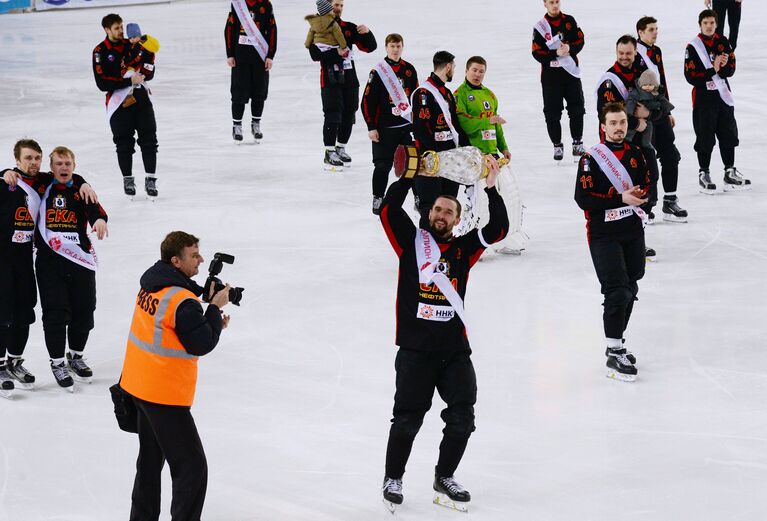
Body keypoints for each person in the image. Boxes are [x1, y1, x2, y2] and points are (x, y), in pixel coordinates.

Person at [378, 163, 508, 512]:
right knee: (407, 418)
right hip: (416, 350)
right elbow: (389, 210)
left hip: (453, 352)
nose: (441, 215)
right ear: (428, 212)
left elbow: (498, 229)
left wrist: (491, 188)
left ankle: (444, 476)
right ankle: (394, 477)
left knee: (463, 416)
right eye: (437, 209)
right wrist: (407, 176)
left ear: (456, 219)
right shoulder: (410, 243)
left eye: (449, 211)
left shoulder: (465, 250)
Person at [119, 231, 231, 521]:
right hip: (163, 395)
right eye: (194, 255)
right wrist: (215, 310)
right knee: (192, 468)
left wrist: (206, 314)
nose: (201, 259)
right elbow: (201, 343)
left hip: (138, 386)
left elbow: (170, 330)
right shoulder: (181, 301)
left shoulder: (153, 284)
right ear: (176, 261)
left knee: (149, 463)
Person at [1, 141, 98, 395]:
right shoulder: (6, 181)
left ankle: (13, 361)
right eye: (28, 158)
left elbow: (68, 176)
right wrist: (2, 174)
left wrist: (82, 181)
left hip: (24, 260)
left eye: (37, 158)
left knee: (24, 310)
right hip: (3, 259)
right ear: (18, 159)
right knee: (3, 312)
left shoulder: (43, 182)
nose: (34, 163)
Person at [574, 103, 651, 382]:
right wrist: (619, 198)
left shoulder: (636, 154)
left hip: (632, 230)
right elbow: (583, 199)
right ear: (603, 126)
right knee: (617, 290)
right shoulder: (590, 159)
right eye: (613, 123)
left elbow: (648, 184)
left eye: (622, 123)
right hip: (603, 234)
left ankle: (616, 343)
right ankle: (615, 350)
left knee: (631, 285)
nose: (619, 128)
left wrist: (642, 196)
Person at [35, 147, 108, 390]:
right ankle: (57, 362)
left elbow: (96, 211)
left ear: (74, 166)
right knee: (55, 313)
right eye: (59, 163)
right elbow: (19, 175)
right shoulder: (42, 185)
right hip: (49, 262)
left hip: (80, 261)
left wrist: (98, 220)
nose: (63, 168)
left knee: (85, 311)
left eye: (68, 163)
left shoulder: (80, 188)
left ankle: (75, 356)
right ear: (51, 166)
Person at [454, 56, 526, 255]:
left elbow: (496, 126)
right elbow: (463, 123)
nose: (477, 74)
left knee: (505, 195)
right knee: (477, 200)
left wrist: (504, 147)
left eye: (481, 71)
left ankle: (503, 237)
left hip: (493, 154)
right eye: (474, 70)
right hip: (473, 155)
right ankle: (473, 241)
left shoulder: (490, 95)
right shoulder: (460, 94)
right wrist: (488, 121)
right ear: (466, 71)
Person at [597, 34, 659, 259]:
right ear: (616, 52)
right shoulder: (610, 80)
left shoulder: (642, 74)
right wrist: (637, 123)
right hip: (616, 147)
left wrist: (652, 114)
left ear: (635, 53)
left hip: (639, 146)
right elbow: (606, 113)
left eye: (629, 53)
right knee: (622, 193)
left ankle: (637, 242)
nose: (624, 57)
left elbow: (654, 100)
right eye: (621, 53)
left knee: (643, 189)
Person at [93, 13, 158, 199]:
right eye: (117, 28)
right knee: (123, 143)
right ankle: (128, 179)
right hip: (119, 103)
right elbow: (102, 83)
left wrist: (147, 66)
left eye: (122, 27)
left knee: (149, 139)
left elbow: (149, 72)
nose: (121, 31)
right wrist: (128, 82)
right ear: (107, 30)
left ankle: (151, 179)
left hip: (141, 99)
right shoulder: (100, 51)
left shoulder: (133, 44)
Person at [685, 9, 749, 193]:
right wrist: (712, 69)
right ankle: (703, 173)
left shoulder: (723, 42)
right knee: (705, 136)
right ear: (700, 25)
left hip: (723, 97)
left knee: (728, 134)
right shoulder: (693, 47)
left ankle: (729, 171)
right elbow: (691, 77)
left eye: (712, 23)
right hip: (704, 99)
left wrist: (722, 68)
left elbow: (731, 69)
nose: (709, 26)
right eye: (705, 23)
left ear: (716, 24)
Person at [308, 0, 376, 171]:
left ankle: (341, 147)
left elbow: (370, 47)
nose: (338, 9)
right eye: (335, 5)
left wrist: (367, 33)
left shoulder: (348, 27)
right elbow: (315, 54)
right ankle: (329, 151)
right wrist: (335, 53)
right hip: (330, 80)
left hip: (349, 79)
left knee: (349, 113)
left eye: (340, 5)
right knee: (333, 114)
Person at [634, 16, 687, 223]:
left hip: (659, 113)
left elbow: (661, 82)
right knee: (646, 162)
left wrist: (667, 110)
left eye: (656, 29)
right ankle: (645, 207)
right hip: (643, 116)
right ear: (640, 32)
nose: (655, 32)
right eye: (651, 29)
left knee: (671, 155)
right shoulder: (635, 53)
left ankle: (670, 201)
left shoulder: (656, 51)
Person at [361, 33, 418, 215]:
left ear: (402, 47)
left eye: (398, 46)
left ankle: (418, 197)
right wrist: (371, 127)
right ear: (386, 47)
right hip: (384, 129)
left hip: (406, 127)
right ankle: (378, 197)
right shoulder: (378, 71)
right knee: (382, 166)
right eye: (392, 46)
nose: (395, 50)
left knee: (415, 163)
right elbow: (366, 101)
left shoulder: (409, 69)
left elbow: (416, 98)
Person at [411, 51, 470, 216]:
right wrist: (434, 156)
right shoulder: (424, 93)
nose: (454, 70)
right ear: (448, 67)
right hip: (432, 157)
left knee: (449, 203)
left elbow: (455, 125)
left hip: (450, 156)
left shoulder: (447, 93)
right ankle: (427, 239)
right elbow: (421, 128)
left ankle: (446, 239)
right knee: (431, 206)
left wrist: (468, 150)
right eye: (454, 67)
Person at [531, 0, 585, 161]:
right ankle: (557, 145)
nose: (555, 5)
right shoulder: (540, 26)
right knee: (552, 112)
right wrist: (554, 54)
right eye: (551, 2)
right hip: (550, 77)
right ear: (545, 4)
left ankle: (577, 143)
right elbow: (536, 52)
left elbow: (580, 39)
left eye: (557, 1)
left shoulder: (569, 20)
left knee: (577, 109)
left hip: (571, 74)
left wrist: (570, 48)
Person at [225, 0, 277, 143]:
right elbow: (229, 28)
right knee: (238, 93)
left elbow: (272, 30)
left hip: (260, 58)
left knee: (259, 92)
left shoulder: (266, 5)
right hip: (240, 57)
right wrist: (230, 53)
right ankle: (237, 125)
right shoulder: (237, 4)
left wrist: (270, 56)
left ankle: (256, 124)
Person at [625, 70, 674, 151]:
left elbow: (662, 102)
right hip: (635, 116)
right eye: (645, 85)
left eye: (650, 85)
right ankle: (627, 140)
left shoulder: (656, 93)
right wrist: (629, 114)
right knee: (632, 130)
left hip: (650, 118)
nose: (647, 87)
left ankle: (647, 144)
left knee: (649, 130)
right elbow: (631, 101)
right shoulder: (637, 93)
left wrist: (665, 110)